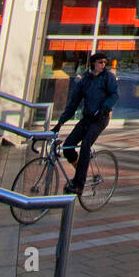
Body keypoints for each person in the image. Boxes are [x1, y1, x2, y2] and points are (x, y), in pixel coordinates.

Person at [53, 51, 119, 194]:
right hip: (87, 117)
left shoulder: (108, 78)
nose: (103, 65)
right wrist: (60, 122)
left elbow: (114, 95)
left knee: (85, 146)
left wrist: (104, 108)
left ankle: (79, 185)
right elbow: (74, 103)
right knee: (68, 146)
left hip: (100, 118)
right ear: (93, 63)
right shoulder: (85, 80)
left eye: (104, 63)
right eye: (100, 62)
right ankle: (81, 171)